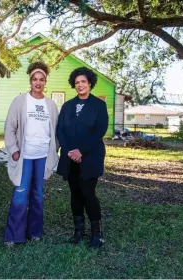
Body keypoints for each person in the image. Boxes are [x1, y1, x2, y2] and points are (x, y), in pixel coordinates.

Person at [3, 61, 59, 247]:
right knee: (20, 194)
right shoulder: (20, 101)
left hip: (42, 156)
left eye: (41, 79)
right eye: (35, 79)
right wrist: (14, 150)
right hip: (25, 157)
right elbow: (10, 128)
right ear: (30, 81)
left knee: (38, 195)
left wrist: (54, 151)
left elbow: (55, 132)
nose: (38, 82)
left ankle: (34, 232)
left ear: (45, 82)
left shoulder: (50, 105)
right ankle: (13, 236)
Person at [56, 67, 109, 249]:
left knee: (88, 192)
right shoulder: (67, 106)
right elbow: (60, 130)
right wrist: (71, 151)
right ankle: (78, 231)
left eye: (83, 82)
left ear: (90, 83)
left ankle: (97, 234)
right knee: (75, 193)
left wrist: (81, 151)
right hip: (70, 157)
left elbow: (99, 132)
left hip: (91, 156)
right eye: (77, 82)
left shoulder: (98, 105)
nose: (80, 85)